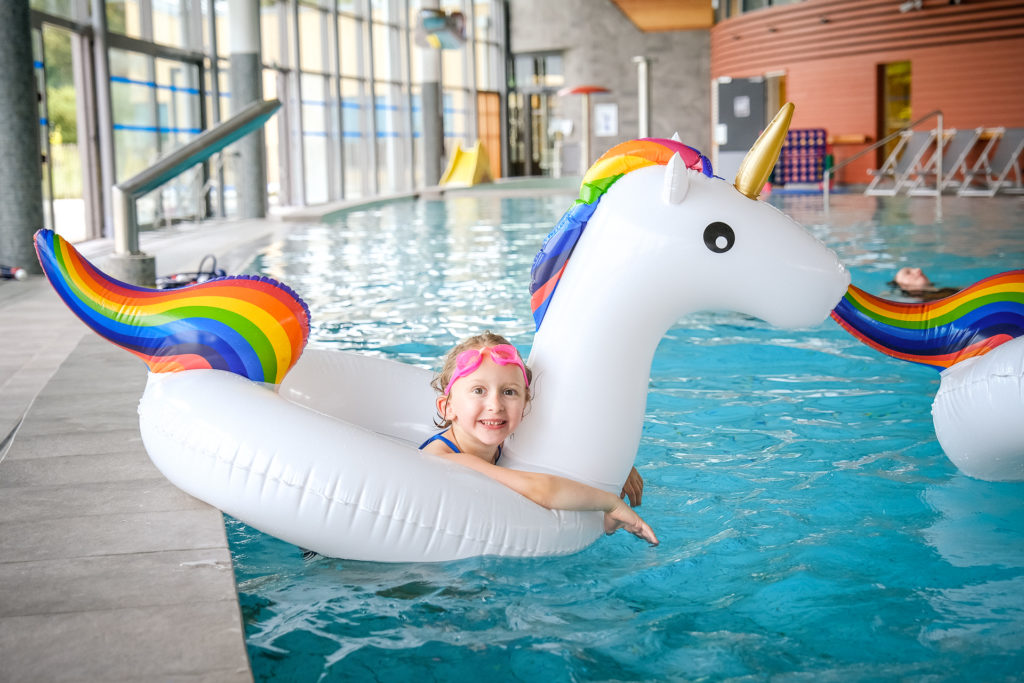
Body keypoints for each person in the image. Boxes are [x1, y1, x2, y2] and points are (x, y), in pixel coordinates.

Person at [420, 331, 658, 546]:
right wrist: (612, 503)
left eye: (509, 392)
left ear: (525, 404)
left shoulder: (497, 440)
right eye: (478, 390)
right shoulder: (445, 458)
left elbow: (569, 445)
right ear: (447, 407)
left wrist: (614, 467)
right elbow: (541, 489)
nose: (495, 405)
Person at [891, 267, 959, 302]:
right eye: (908, 273)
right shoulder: (912, 303)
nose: (919, 269)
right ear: (901, 285)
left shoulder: (950, 290)